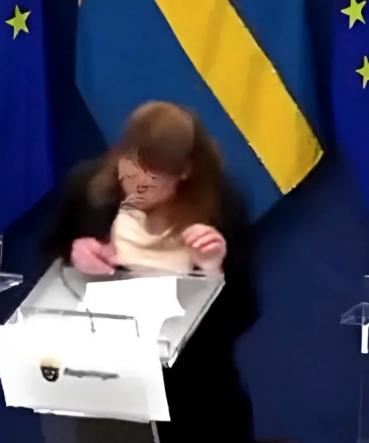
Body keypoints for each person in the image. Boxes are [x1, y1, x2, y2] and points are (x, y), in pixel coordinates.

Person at [42, 101, 256, 442]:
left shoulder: (222, 206)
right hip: (112, 393)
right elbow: (51, 258)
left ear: (183, 172)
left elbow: (244, 312)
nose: (137, 191)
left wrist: (212, 274)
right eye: (131, 174)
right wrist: (75, 259)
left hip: (197, 398)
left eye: (153, 181)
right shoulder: (89, 191)